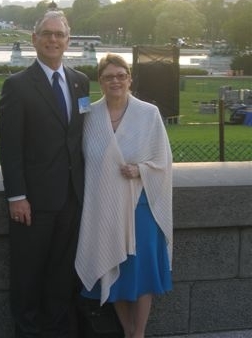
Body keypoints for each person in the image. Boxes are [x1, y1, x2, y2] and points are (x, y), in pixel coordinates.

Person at [0, 6, 90, 338]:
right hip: (33, 202)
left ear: (68, 41)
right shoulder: (17, 86)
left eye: (59, 34)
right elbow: (9, 146)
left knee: (61, 274)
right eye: (47, 34)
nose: (53, 40)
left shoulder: (80, 82)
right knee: (28, 275)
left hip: (72, 198)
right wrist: (17, 195)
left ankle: (57, 330)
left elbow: (81, 137)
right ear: (34, 39)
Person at [75, 53, 173, 338]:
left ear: (130, 79)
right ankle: (127, 330)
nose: (115, 81)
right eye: (108, 77)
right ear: (100, 82)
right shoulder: (89, 116)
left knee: (140, 273)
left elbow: (163, 161)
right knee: (113, 266)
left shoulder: (148, 113)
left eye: (121, 76)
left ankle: (137, 333)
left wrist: (141, 169)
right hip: (104, 207)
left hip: (141, 207)